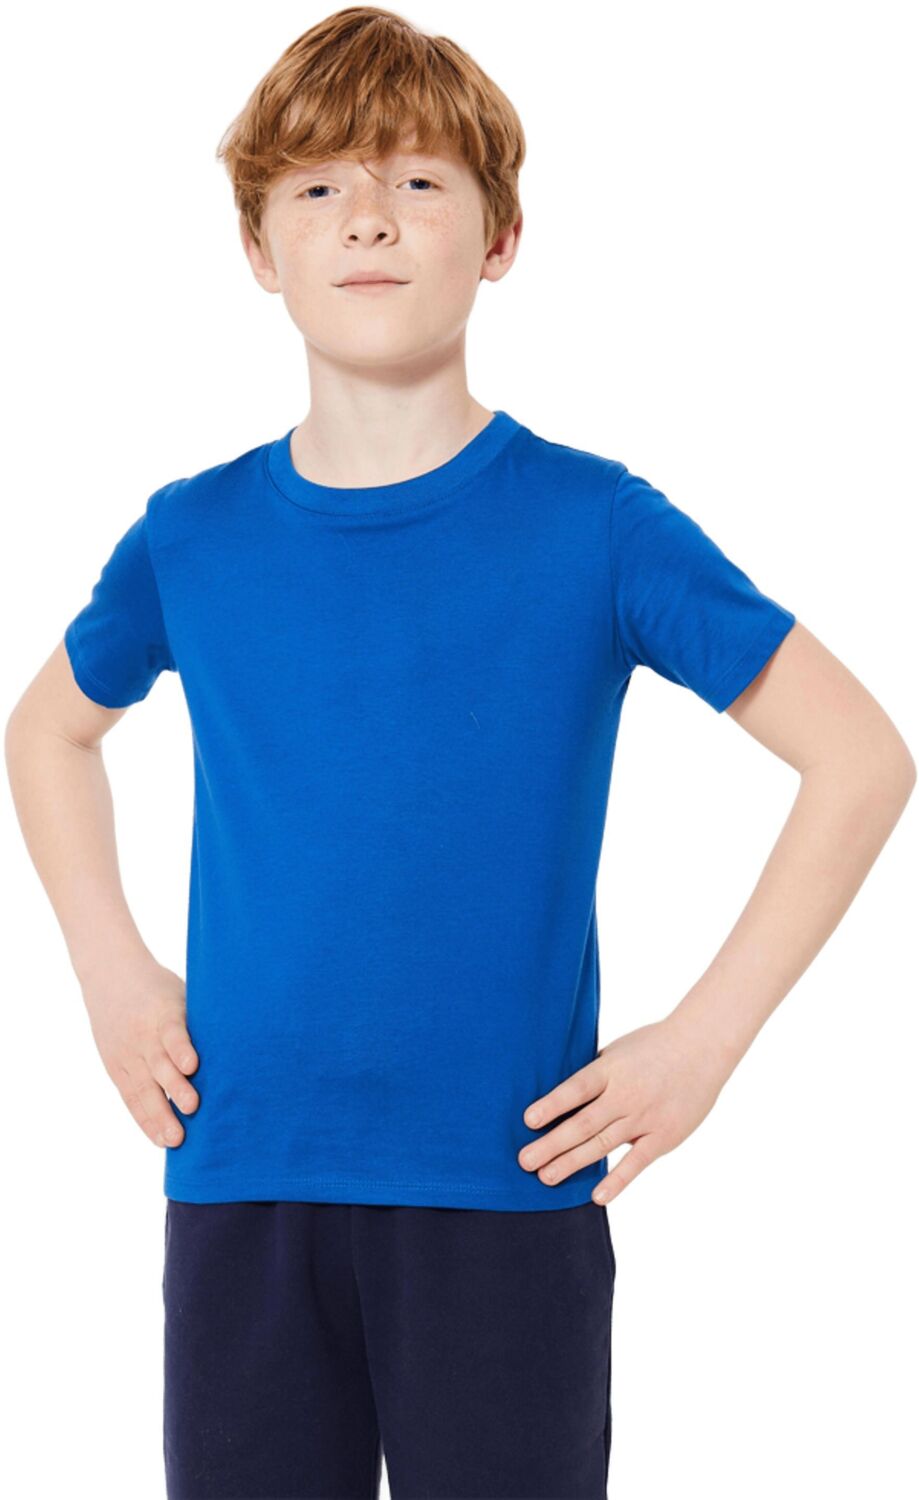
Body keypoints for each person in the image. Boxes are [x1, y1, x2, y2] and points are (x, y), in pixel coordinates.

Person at [5, 6, 915, 1498]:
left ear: (500, 236)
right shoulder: (190, 537)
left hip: (508, 1185)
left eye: (418, 180)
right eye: (318, 187)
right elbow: (47, 731)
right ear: (259, 249)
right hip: (243, 1178)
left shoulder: (596, 524)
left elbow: (861, 756)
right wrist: (112, 969)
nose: (367, 217)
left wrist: (702, 1044)